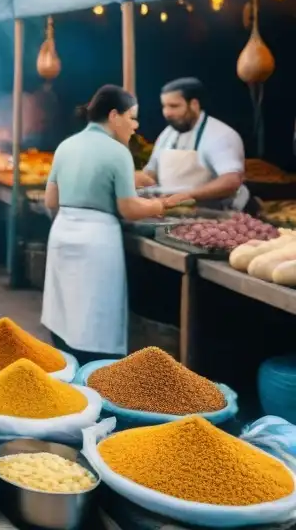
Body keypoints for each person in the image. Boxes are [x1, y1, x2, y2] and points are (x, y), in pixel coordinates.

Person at [42, 85, 189, 364]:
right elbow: (129, 208)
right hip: (97, 240)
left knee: (65, 312)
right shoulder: (117, 152)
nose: (136, 125)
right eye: (132, 117)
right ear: (114, 116)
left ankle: (68, 372)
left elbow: (52, 199)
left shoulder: (66, 145)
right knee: (96, 318)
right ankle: (96, 376)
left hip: (63, 234)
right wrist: (162, 205)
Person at [137, 77, 247, 210]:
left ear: (194, 105)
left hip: (215, 217)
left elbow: (231, 181)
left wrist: (187, 195)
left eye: (174, 106)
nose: (167, 113)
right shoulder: (168, 133)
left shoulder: (220, 135)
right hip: (172, 214)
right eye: (164, 106)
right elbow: (151, 171)